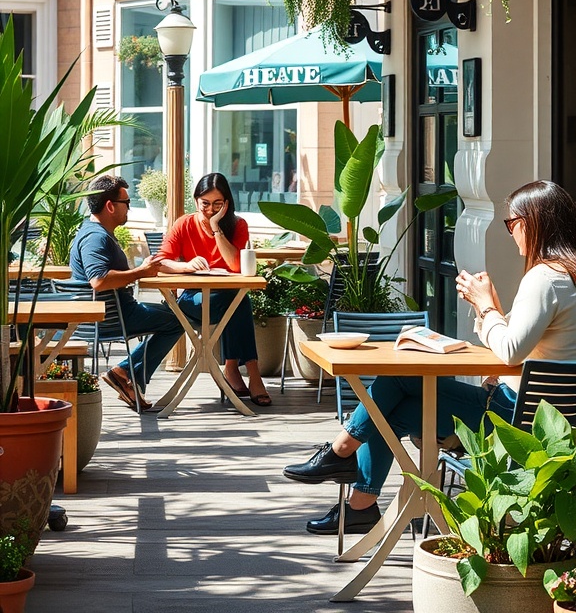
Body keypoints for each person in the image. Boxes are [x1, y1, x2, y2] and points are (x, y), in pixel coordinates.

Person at [283, 180, 576, 535]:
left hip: (512, 419)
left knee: (395, 385)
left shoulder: (544, 279)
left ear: (530, 222)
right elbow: (519, 343)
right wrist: (491, 308)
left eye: (511, 224)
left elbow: (510, 350)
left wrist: (485, 306)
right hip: (550, 419)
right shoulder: (565, 277)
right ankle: (359, 503)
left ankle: (342, 454)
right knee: (387, 411)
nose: (511, 234)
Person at [70, 174, 184, 413]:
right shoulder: (96, 237)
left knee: (174, 315)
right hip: (114, 316)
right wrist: (140, 272)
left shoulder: (92, 231)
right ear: (110, 206)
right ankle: (124, 373)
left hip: (112, 312)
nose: (129, 209)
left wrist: (139, 270)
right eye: (127, 203)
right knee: (177, 320)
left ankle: (129, 380)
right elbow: (98, 280)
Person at [158, 172, 272, 407]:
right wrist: (186, 266)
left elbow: (235, 265)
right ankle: (250, 372)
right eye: (205, 204)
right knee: (238, 300)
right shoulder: (184, 224)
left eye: (217, 204)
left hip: (225, 297)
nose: (210, 209)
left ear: (226, 203)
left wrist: (216, 228)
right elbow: (161, 261)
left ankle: (233, 368)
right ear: (196, 199)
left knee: (236, 298)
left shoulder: (238, 225)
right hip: (192, 298)